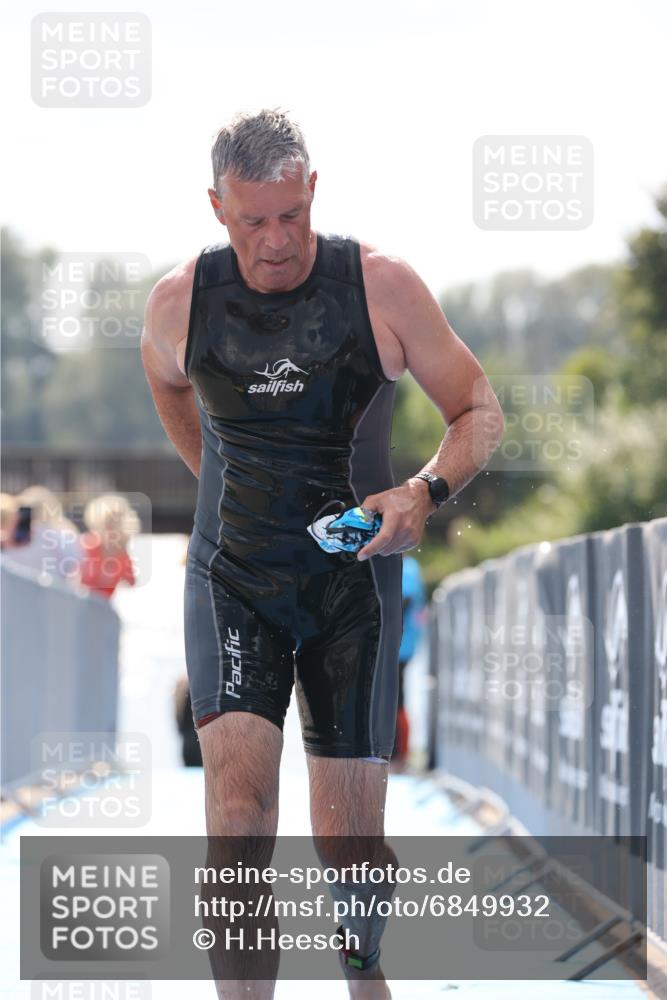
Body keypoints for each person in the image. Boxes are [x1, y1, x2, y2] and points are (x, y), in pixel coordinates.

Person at [141, 107, 504, 999]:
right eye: (252, 220)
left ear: (314, 191)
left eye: (291, 216)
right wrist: (215, 478)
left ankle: (361, 962)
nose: (274, 242)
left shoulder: (380, 286)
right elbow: (164, 379)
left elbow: (478, 409)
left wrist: (423, 492)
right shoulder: (179, 301)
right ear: (217, 208)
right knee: (237, 816)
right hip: (233, 578)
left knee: (347, 843)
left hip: (355, 589)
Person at [390, 554, 427, 773]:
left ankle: (400, 755)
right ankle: (397, 754)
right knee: (393, 698)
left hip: (399, 646)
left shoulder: (407, 566)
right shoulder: (409, 565)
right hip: (399, 644)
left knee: (395, 699)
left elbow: (405, 599)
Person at [78, 493, 138, 599]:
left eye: (117, 523)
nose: (111, 528)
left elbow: (131, 582)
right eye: (107, 523)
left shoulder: (122, 554)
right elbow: (79, 581)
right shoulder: (89, 545)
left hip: (103, 606)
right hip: (82, 603)